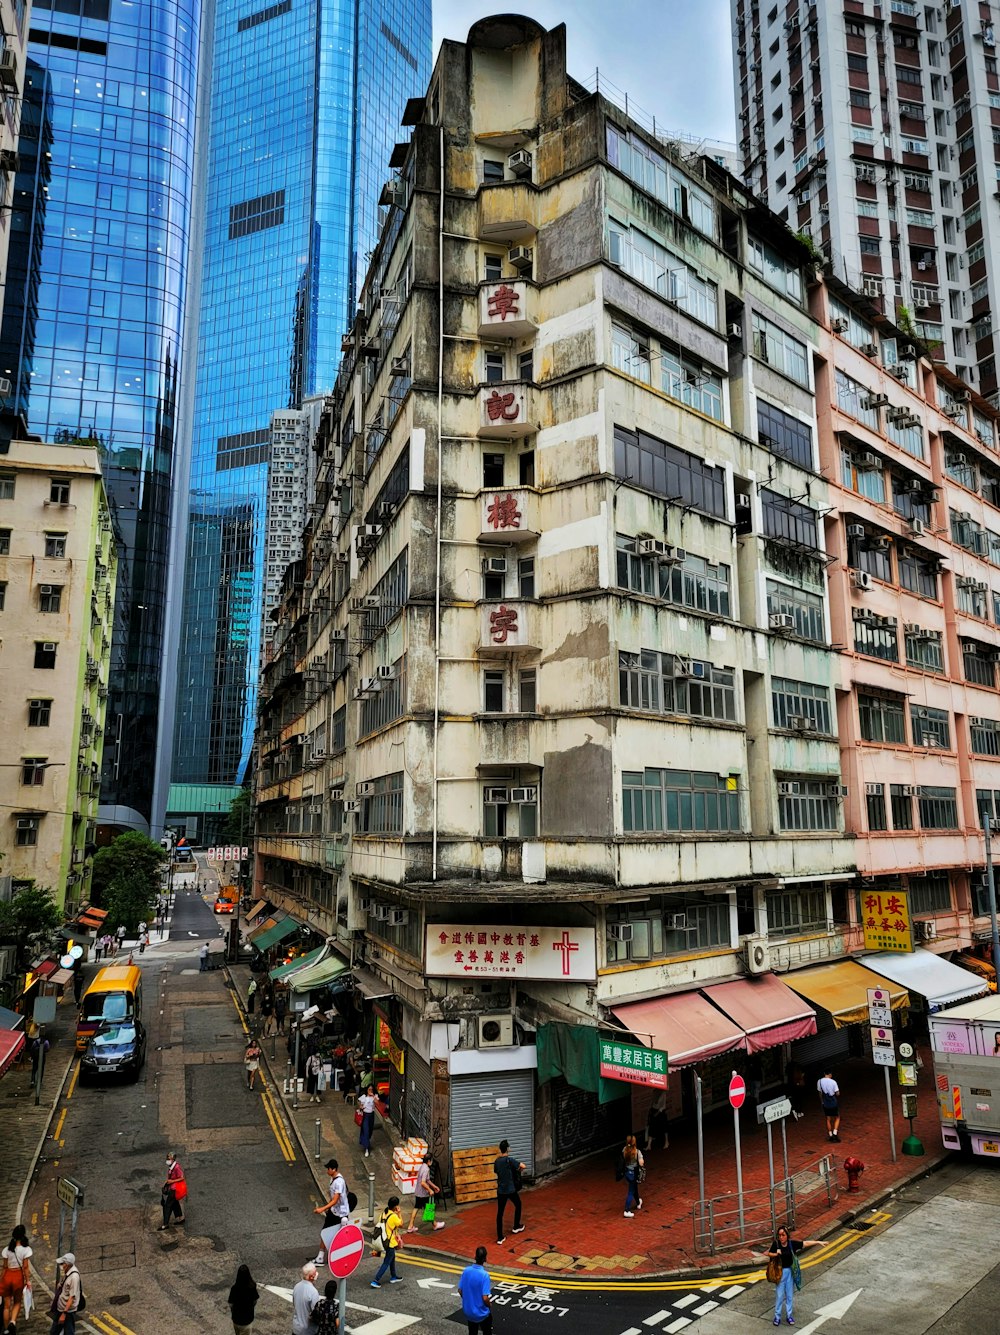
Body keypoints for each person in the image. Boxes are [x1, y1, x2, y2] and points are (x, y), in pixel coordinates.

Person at [768, 1225, 822, 1325]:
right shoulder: (776, 1244)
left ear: (787, 1236)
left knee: (789, 1295)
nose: (781, 1237)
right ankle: (777, 1317)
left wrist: (818, 1242)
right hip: (780, 1273)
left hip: (790, 1272)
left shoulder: (792, 1244)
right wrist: (776, 1254)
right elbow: (769, 1253)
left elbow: (805, 1243)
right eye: (779, 1235)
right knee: (779, 1296)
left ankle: (789, 1316)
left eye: (783, 1235)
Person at [313, 1159, 349, 1265]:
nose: (327, 1171)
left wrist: (322, 1209)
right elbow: (332, 1198)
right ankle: (321, 1257)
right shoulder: (332, 1179)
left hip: (341, 1214)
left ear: (333, 1169)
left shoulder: (339, 1182)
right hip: (334, 1211)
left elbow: (335, 1199)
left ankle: (339, 1257)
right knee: (325, 1232)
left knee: (339, 1236)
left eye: (328, 1169)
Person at [1, 1224, 32, 1335]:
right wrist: (27, 1280)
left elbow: (4, 1267)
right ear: (23, 1235)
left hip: (7, 1276)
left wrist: (1, 1279)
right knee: (17, 1302)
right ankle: (12, 1322)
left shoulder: (7, 1250)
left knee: (6, 1306)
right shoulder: (26, 1250)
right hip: (17, 1277)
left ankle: (6, 1330)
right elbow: (25, 1267)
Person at [493, 1139, 526, 1244]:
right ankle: (516, 1226)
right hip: (510, 1189)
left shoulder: (497, 1161)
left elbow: (496, 1171)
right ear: (507, 1149)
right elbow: (523, 1166)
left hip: (501, 1190)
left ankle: (500, 1237)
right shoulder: (509, 1160)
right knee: (518, 1204)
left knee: (500, 1213)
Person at [457, 1246, 493, 1335]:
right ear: (485, 1259)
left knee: (472, 1332)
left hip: (468, 1312)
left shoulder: (466, 1270)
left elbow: (460, 1290)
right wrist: (489, 1305)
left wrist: (469, 1301)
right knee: (487, 1328)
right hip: (481, 1313)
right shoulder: (484, 1275)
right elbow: (485, 1298)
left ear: (475, 1257)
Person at [406, 1152, 445, 1234]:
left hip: (418, 1192)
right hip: (423, 1193)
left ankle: (410, 1226)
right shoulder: (426, 1169)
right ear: (429, 1161)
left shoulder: (422, 1167)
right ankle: (435, 1225)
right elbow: (423, 1182)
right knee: (429, 1208)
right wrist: (430, 1190)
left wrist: (434, 1186)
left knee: (416, 1208)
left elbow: (427, 1180)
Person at [371, 1196, 403, 1287]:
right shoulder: (393, 1216)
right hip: (390, 1242)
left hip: (384, 1240)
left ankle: (393, 1276)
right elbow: (401, 1224)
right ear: (396, 1206)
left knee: (391, 1258)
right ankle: (375, 1280)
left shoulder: (383, 1214)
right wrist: (399, 1213)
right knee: (386, 1262)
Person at [50, 1254, 81, 1335]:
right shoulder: (67, 1272)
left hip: (67, 1312)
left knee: (68, 1332)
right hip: (60, 1308)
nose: (61, 1266)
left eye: (62, 1264)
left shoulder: (74, 1277)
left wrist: (64, 1314)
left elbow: (72, 1297)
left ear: (66, 1264)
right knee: (54, 1331)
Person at [227, 1263, 259, 1335]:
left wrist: (234, 1310)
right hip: (247, 1319)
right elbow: (255, 1300)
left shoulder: (234, 1288)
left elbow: (231, 1303)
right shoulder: (252, 1287)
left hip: (236, 1319)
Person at [159, 1152, 186, 1230]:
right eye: (167, 1158)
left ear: (173, 1159)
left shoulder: (177, 1167)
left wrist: (172, 1181)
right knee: (174, 1203)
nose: (167, 1160)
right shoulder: (171, 1166)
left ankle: (165, 1224)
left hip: (174, 1189)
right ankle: (181, 1218)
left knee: (167, 1206)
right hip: (172, 1188)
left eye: (169, 1158)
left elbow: (182, 1177)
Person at [291, 1264, 320, 1335]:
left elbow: (294, 1304)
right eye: (315, 1273)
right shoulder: (313, 1292)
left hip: (296, 1328)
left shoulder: (296, 1286)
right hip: (308, 1331)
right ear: (311, 1277)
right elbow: (315, 1314)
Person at [619, 1134, 644, 1217]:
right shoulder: (637, 1152)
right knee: (631, 1191)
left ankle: (638, 1202)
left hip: (627, 1173)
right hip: (633, 1173)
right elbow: (641, 1163)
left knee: (634, 1188)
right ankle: (627, 1210)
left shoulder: (624, 1150)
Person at [817, 1069, 841, 1142]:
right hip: (833, 1101)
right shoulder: (833, 1082)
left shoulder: (819, 1081)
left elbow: (820, 1093)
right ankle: (835, 1133)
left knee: (828, 1119)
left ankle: (830, 1134)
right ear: (830, 1074)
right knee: (837, 1117)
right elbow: (837, 1093)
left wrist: (822, 1101)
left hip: (825, 1102)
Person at [358, 1086, 376, 1157]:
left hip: (371, 1115)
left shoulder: (374, 1097)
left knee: (370, 1130)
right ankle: (367, 1148)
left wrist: (373, 1096)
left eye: (371, 1089)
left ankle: (366, 1141)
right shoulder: (364, 1097)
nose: (370, 1091)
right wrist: (361, 1107)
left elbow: (377, 1103)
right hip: (365, 1116)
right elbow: (360, 1104)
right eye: (369, 1089)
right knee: (366, 1130)